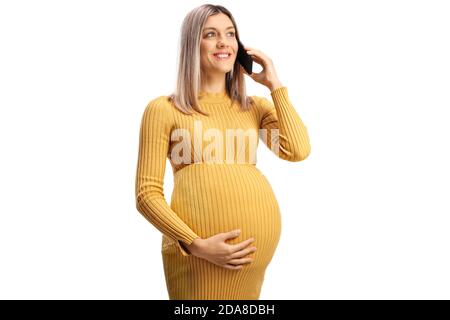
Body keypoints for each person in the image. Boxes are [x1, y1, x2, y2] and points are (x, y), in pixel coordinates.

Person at [135, 4, 311, 300]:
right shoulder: (164, 110)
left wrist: (275, 86)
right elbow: (146, 194)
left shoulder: (254, 109)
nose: (224, 43)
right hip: (196, 259)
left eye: (231, 34)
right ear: (193, 44)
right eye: (211, 34)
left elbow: (297, 149)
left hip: (252, 262)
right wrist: (196, 244)